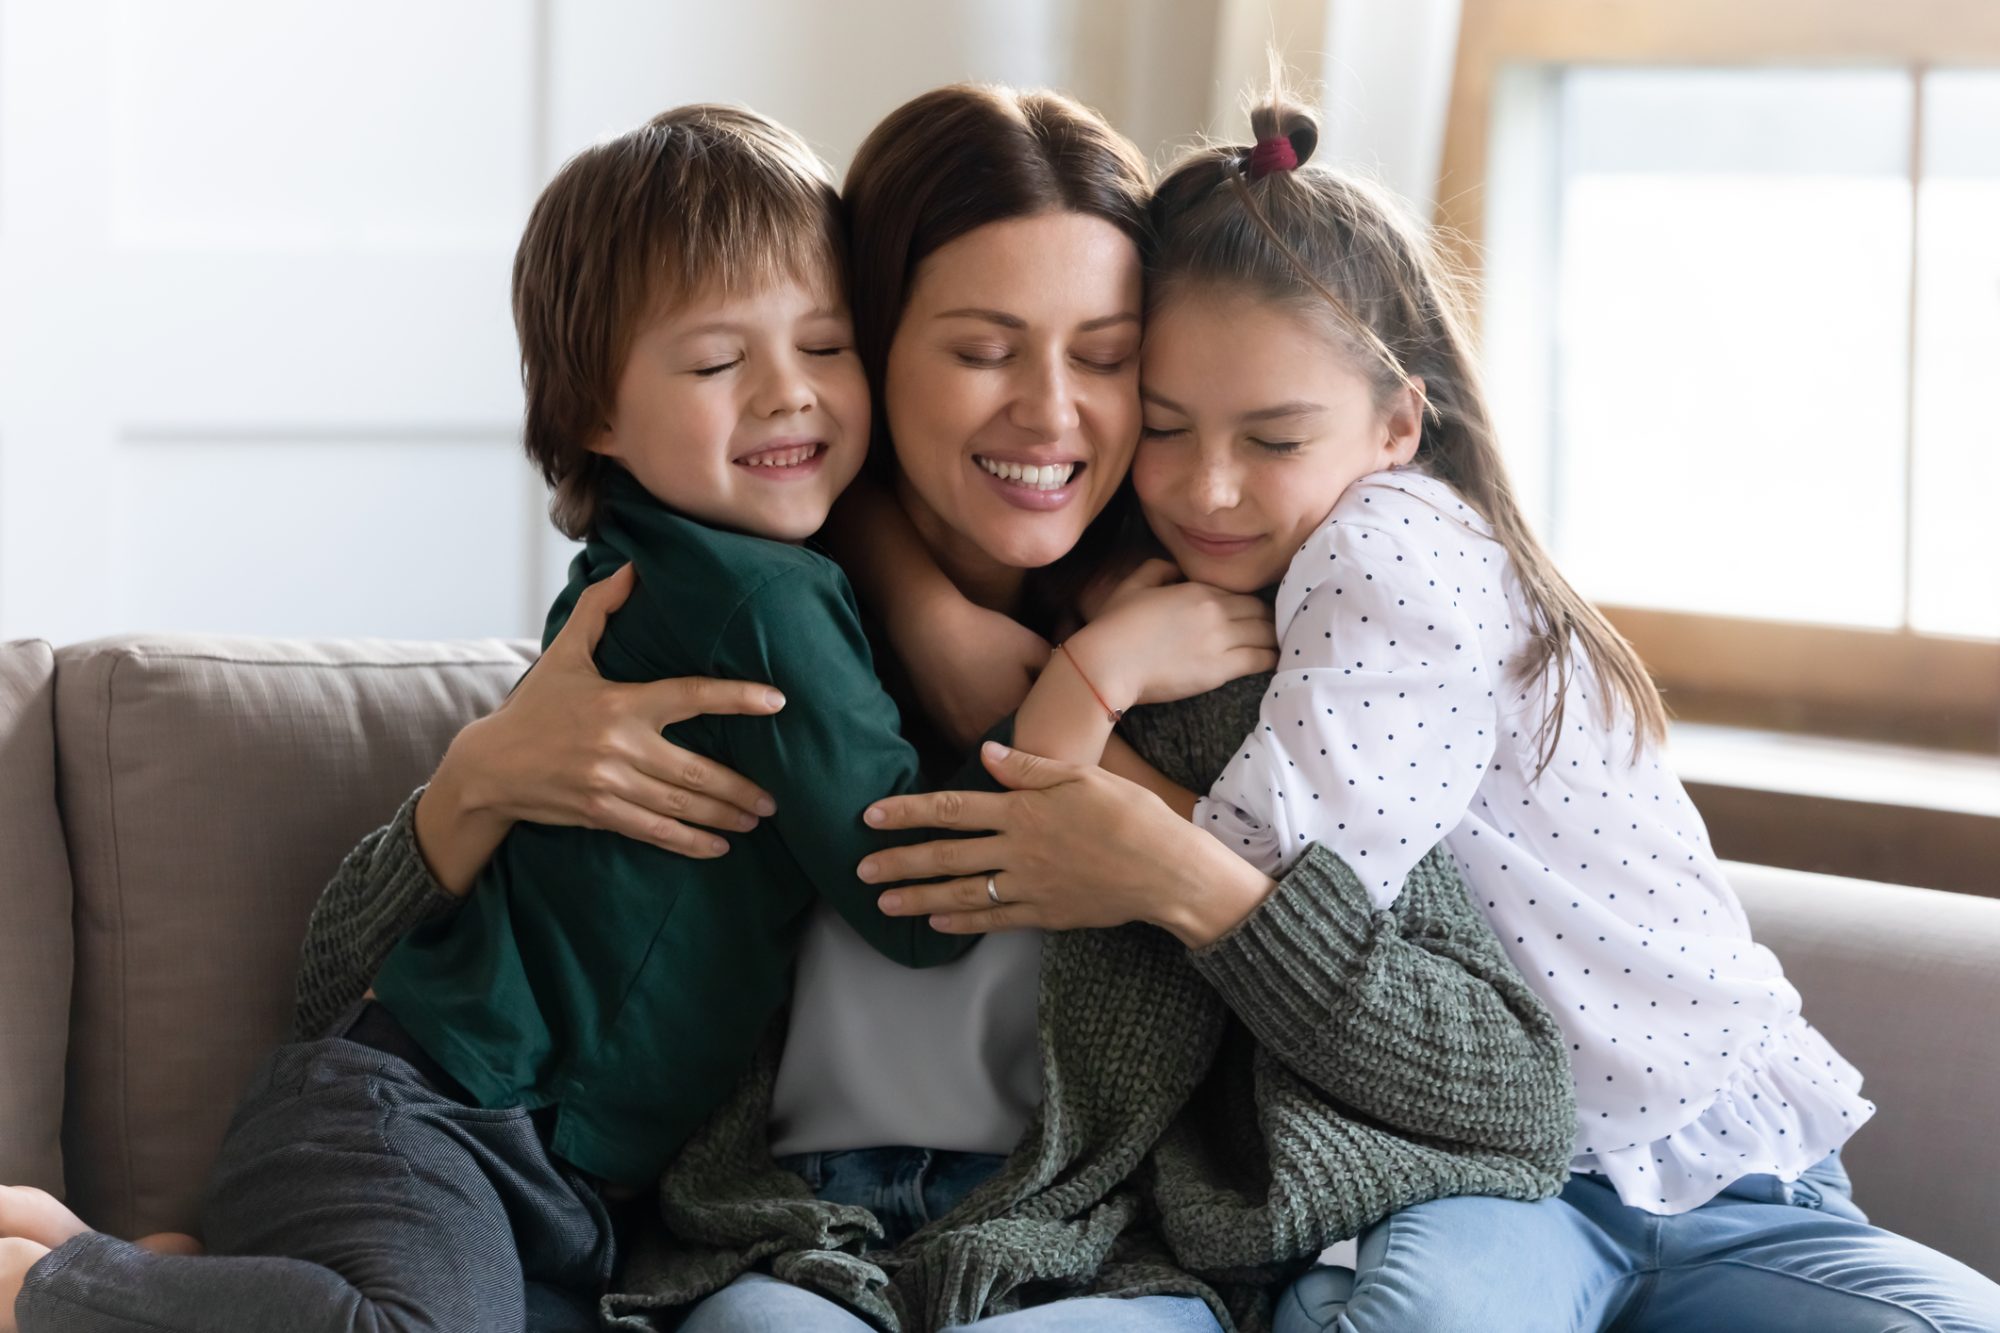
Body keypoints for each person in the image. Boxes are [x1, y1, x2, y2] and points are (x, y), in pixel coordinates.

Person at [157, 86, 1581, 1333]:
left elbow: (1504, 1083)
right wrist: (472, 782)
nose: (1051, 412)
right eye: (980, 348)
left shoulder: (1215, 657)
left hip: (1060, 1273)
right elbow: (338, 992)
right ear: (878, 348)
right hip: (751, 1257)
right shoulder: (720, 613)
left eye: (1102, 357)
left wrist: (1174, 848)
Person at [898, 88, 1991, 1332]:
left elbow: (1262, 880)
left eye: (1271, 438)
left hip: (1704, 1157)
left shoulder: (1387, 544)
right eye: (1162, 426)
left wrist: (1094, 685)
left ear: (1396, 423)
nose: (1205, 485)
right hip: (1480, 1183)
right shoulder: (1238, 559)